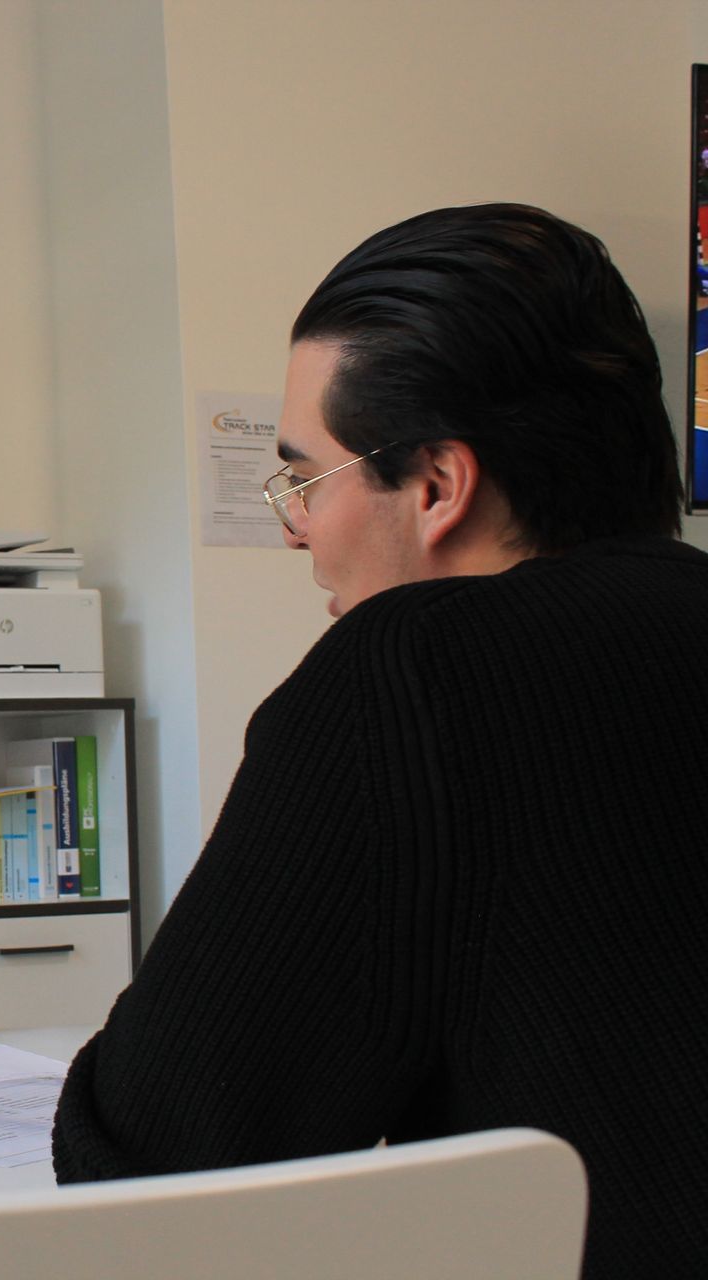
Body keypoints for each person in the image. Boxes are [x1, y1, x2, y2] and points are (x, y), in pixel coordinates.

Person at [50, 203, 708, 1277]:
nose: (293, 527)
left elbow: (160, 1165)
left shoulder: (412, 671)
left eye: (306, 480)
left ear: (438, 485)